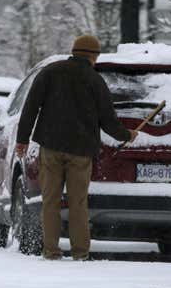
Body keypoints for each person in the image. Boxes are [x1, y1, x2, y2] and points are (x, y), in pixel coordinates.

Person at [15, 34, 138, 260]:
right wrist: (127, 135)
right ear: (93, 56)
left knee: (50, 201)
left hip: (50, 147)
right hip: (81, 152)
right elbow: (108, 120)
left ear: (74, 51)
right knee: (77, 203)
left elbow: (30, 107)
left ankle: (50, 250)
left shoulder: (50, 72)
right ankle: (80, 252)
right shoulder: (95, 80)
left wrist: (22, 140)